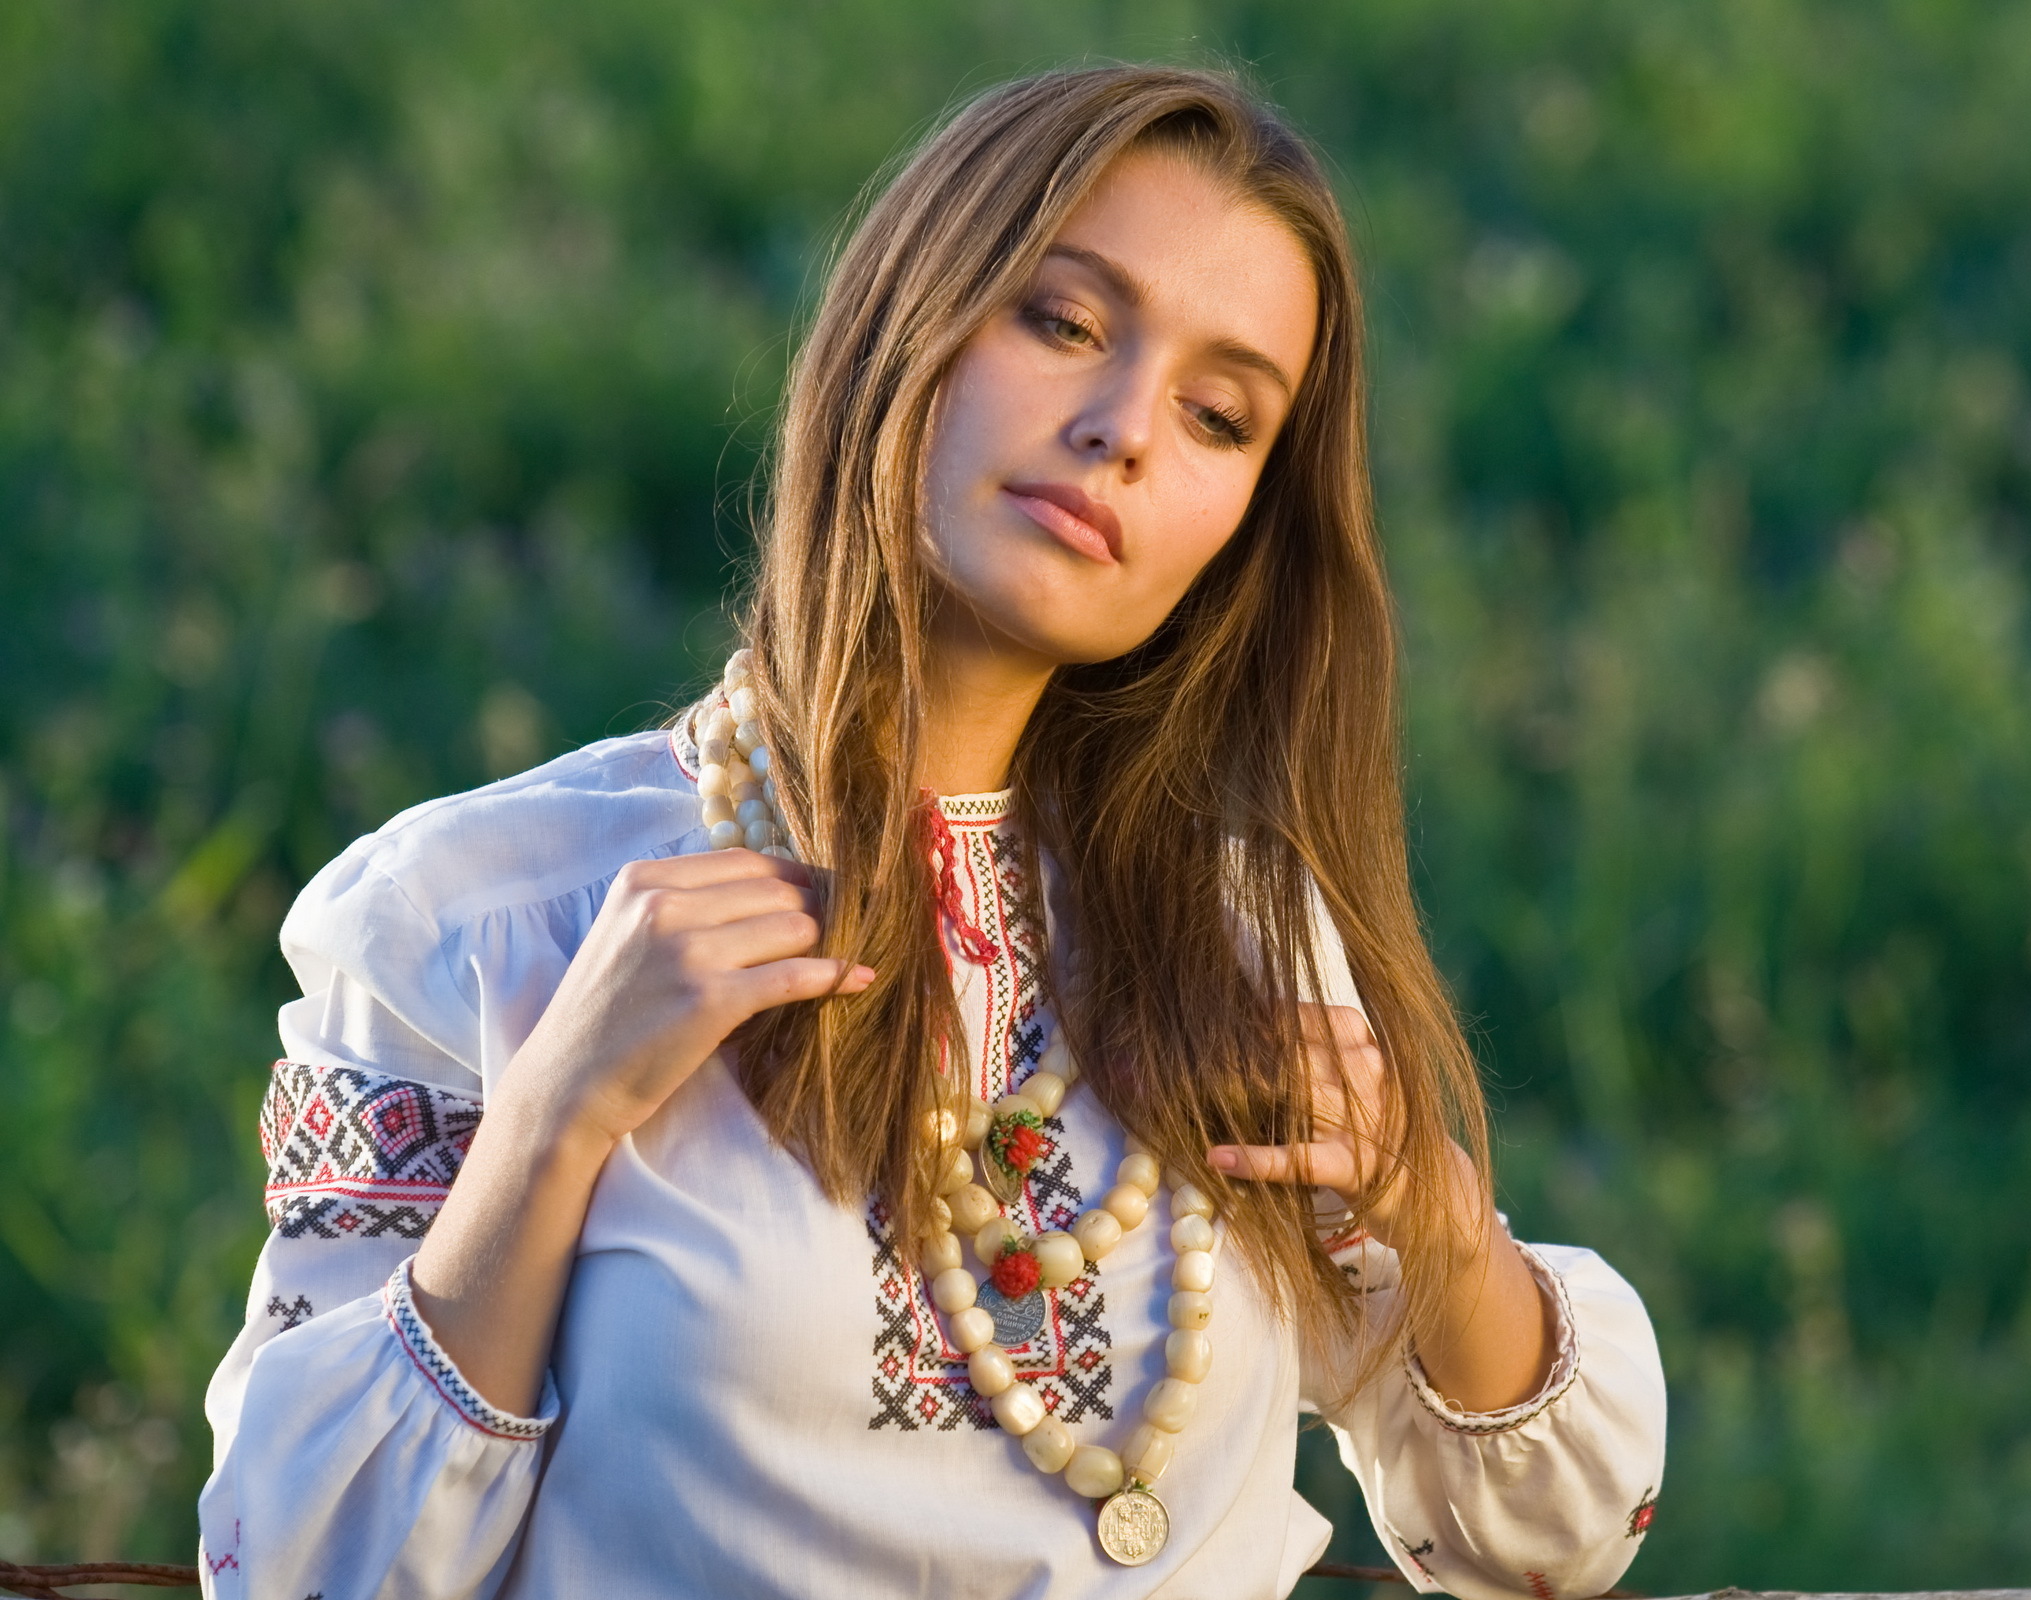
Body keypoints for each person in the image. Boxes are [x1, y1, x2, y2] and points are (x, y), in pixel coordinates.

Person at [198, 64, 1664, 1600]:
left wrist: (1431, 1214)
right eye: (1066, 323)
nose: (1123, 433)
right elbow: (299, 1570)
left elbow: (1554, 1544)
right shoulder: (482, 917)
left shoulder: (1241, 939)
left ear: (1244, 526)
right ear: (914, 318)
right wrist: (556, 1117)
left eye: (1220, 417)